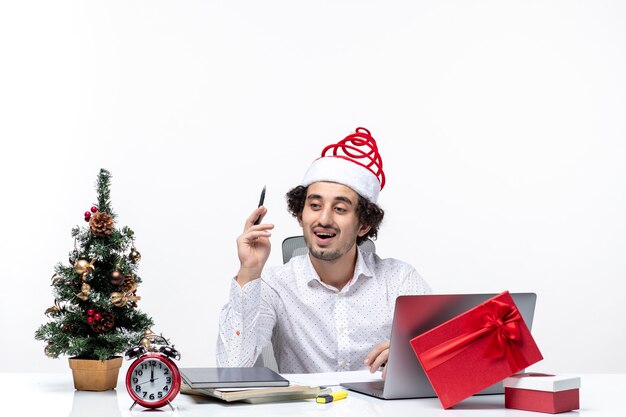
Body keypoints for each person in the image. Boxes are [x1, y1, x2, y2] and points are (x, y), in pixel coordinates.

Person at [216, 127, 431, 376]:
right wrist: (249, 272)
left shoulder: (399, 280)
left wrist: (411, 359)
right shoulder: (274, 286)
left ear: (364, 224)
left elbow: (448, 356)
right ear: (300, 215)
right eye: (315, 206)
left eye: (340, 209)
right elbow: (231, 369)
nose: (324, 219)